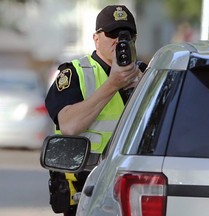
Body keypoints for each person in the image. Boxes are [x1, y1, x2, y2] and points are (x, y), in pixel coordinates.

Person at [45, 5, 147, 216]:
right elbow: (69, 126)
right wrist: (113, 85)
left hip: (133, 188)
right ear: (96, 38)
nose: (119, 40)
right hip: (86, 192)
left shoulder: (147, 75)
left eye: (126, 35)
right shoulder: (76, 73)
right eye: (112, 33)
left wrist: (142, 87)